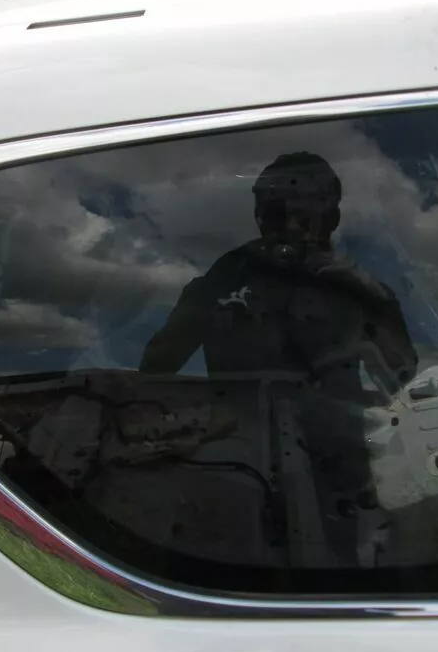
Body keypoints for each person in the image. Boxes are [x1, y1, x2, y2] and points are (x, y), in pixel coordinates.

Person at [140, 152, 417, 565]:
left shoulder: (355, 285)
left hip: (339, 481)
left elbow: (402, 375)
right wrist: (207, 297)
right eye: (276, 212)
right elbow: (156, 367)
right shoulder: (226, 276)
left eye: (304, 213)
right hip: (236, 471)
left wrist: (367, 296)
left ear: (330, 218)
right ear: (260, 215)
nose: (290, 226)